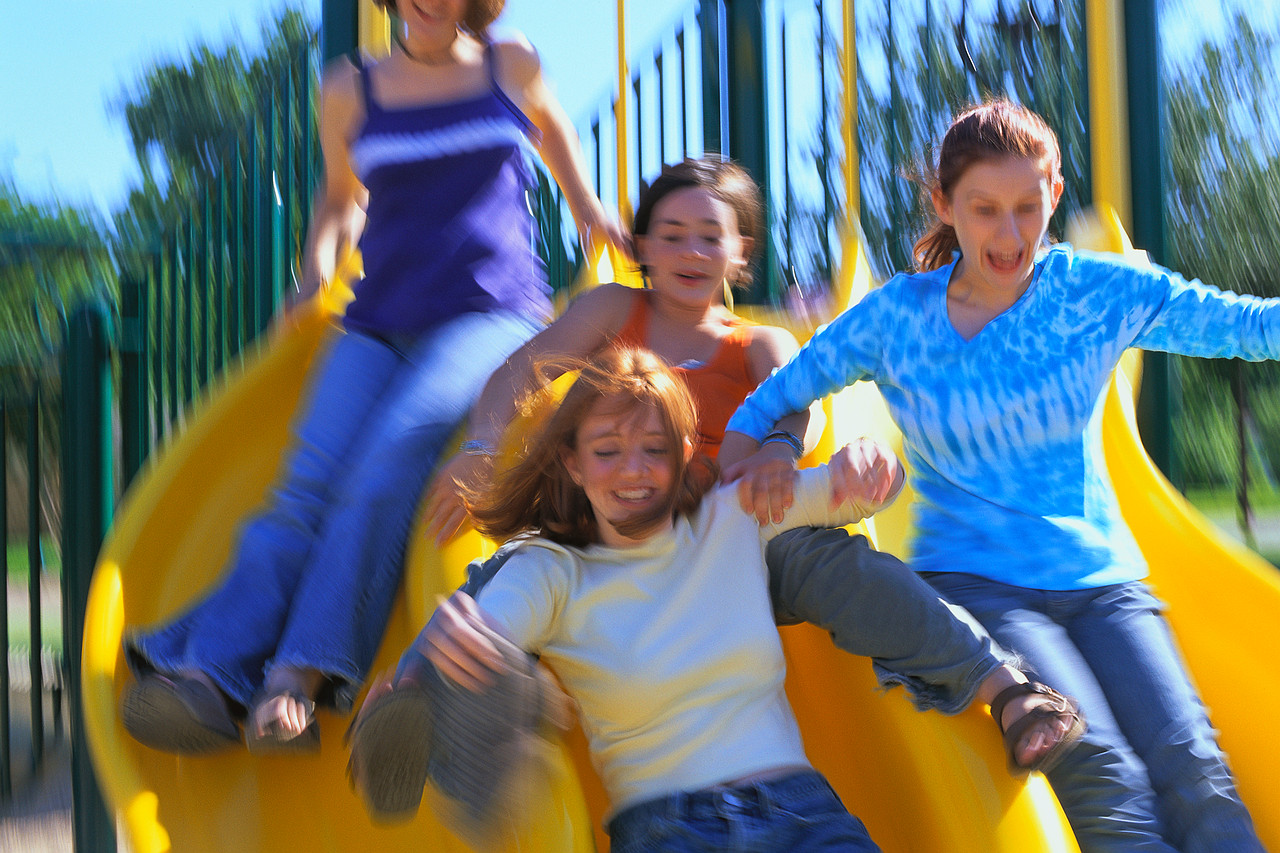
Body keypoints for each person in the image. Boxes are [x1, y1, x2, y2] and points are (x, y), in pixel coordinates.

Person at [720, 99, 1272, 852]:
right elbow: (763, 409)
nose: (1009, 234)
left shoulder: (1097, 293)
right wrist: (780, 453)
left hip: (1105, 580)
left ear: (1053, 193)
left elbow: (1241, 325)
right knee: (1101, 767)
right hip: (980, 587)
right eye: (984, 210)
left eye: (1028, 207)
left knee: (1195, 764)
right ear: (946, 205)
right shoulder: (897, 319)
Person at [417, 156, 1082, 775]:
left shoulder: (755, 342)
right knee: (522, 564)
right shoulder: (615, 309)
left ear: (740, 254)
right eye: (672, 234)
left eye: (712, 236)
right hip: (620, 539)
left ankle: (1008, 689)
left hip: (728, 547)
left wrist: (775, 449)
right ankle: (423, 693)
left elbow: (801, 405)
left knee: (830, 561)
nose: (691, 251)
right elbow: (519, 373)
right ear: (641, 245)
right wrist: (482, 444)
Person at [120, 0, 622, 755]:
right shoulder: (350, 88)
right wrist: (316, 260)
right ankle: (212, 673)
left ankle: (298, 677)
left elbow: (550, 129)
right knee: (305, 481)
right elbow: (340, 194)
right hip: (379, 315)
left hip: (489, 312)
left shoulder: (507, 64)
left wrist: (589, 210)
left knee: (388, 458)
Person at [355, 346, 896, 850]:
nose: (632, 470)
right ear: (573, 462)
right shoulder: (553, 571)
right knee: (479, 668)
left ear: (685, 453)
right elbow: (499, 623)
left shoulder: (732, 517)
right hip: (670, 829)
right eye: (607, 451)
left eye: (654, 450)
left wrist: (871, 465)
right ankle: (476, 738)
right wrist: (466, 656)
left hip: (801, 814)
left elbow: (853, 497)